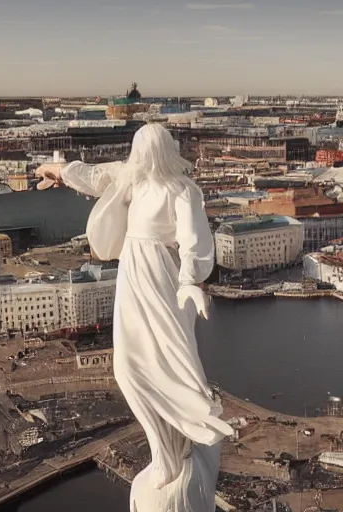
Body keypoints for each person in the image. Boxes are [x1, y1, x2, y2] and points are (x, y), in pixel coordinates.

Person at [36, 123, 232, 512]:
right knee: (127, 368)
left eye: (141, 150)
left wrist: (191, 281)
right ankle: (166, 452)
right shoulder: (133, 179)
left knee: (171, 359)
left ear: (156, 151)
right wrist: (56, 170)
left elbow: (194, 240)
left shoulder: (182, 189)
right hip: (132, 269)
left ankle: (172, 455)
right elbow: (94, 176)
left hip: (163, 276)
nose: (136, 157)